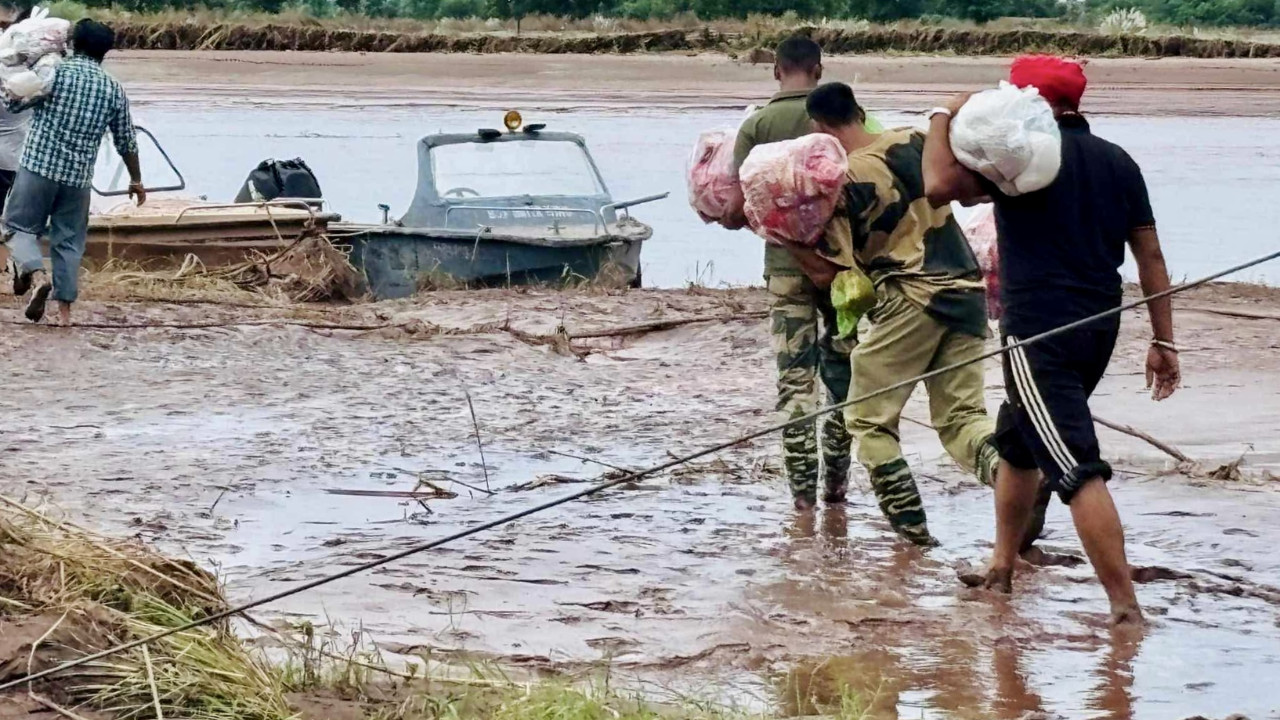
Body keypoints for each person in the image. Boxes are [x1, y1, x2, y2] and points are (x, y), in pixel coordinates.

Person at [921, 54, 1179, 625]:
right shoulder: (1118, 161)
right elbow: (1151, 256)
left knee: (1075, 466)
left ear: (1029, 102)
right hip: (1097, 327)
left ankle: (1124, 610)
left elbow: (938, 184)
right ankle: (1001, 567)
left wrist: (942, 113)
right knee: (1016, 443)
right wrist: (1166, 341)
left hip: (1039, 333)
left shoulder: (1018, 153)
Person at [787, 82, 1001, 546]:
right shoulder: (915, 141)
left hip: (911, 297)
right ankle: (1012, 476)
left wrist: (785, 237)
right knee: (963, 418)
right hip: (967, 291)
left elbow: (835, 280)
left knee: (866, 420)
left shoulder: (843, 183)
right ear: (861, 113)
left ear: (818, 130)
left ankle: (915, 537)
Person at [729, 35, 854, 511]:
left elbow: (739, 210)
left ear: (776, 71)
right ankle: (837, 492)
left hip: (784, 271)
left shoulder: (758, 124)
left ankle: (802, 499)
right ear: (819, 70)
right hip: (842, 270)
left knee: (796, 383)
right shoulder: (838, 115)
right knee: (842, 376)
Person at [4, 18, 144, 325]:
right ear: (105, 52)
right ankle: (65, 316)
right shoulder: (113, 89)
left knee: (15, 226)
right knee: (68, 243)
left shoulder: (55, 71)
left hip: (38, 167)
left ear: (73, 44)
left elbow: (16, 105)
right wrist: (136, 180)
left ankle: (38, 275)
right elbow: (126, 139)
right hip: (78, 179)